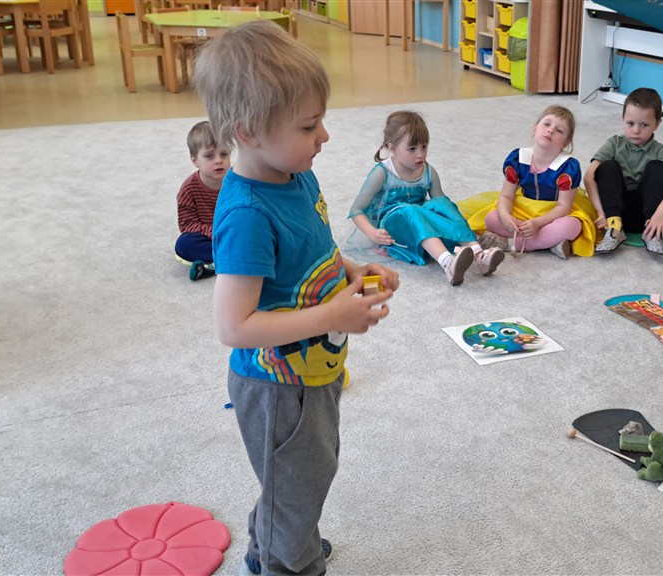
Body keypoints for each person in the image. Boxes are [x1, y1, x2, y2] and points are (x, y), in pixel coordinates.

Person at [194, 21, 399, 576]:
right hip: (275, 387)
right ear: (249, 131)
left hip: (312, 371)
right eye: (309, 126)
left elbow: (314, 250)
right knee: (296, 483)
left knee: (305, 475)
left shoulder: (296, 174)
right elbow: (234, 327)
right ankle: (289, 562)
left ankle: (273, 544)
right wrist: (334, 314)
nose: (324, 136)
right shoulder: (246, 214)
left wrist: (354, 271)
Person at [349, 111, 503, 286]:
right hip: (394, 229)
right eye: (412, 149)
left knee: (442, 202)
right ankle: (447, 262)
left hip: (419, 223)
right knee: (411, 210)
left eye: (424, 146)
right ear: (392, 148)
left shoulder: (428, 171)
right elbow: (356, 210)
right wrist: (372, 233)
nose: (420, 154)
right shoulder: (382, 172)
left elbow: (442, 208)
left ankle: (478, 254)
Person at [458, 105, 598, 259]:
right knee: (491, 219)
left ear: (565, 143)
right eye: (547, 124)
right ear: (535, 129)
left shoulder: (568, 166)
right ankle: (550, 242)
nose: (550, 130)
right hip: (524, 209)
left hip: (553, 213)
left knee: (572, 226)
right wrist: (505, 216)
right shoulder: (518, 158)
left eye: (559, 130)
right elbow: (506, 196)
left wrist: (537, 223)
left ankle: (509, 242)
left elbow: (564, 207)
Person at [582, 87, 663, 255]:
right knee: (607, 166)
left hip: (644, 214)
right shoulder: (614, 143)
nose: (636, 130)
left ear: (657, 124)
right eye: (630, 123)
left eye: (644, 125)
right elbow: (589, 176)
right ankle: (614, 230)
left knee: (659, 167)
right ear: (623, 119)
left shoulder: (661, 151)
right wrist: (600, 211)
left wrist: (661, 213)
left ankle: (651, 232)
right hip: (614, 213)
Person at [176, 120, 230, 281]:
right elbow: (186, 225)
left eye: (224, 154)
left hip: (233, 231)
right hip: (208, 237)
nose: (218, 160)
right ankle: (227, 260)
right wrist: (212, 232)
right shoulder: (188, 189)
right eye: (209, 156)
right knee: (184, 244)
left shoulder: (237, 180)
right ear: (195, 160)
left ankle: (217, 263)